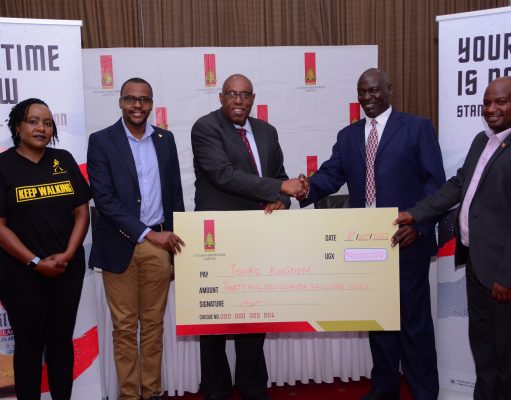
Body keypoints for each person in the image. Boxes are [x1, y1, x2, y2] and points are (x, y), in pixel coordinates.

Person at [297, 68, 446, 400]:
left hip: (406, 241)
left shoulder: (417, 128)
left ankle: (424, 392)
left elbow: (435, 184)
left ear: (389, 89)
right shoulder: (348, 136)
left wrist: (418, 225)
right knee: (378, 320)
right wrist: (303, 189)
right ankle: (384, 386)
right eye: (362, 92)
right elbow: (329, 177)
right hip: (364, 245)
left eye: (374, 90)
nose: (367, 97)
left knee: (414, 322)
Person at [393, 76, 511, 400]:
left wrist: (506, 276)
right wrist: (415, 213)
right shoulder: (482, 141)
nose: (491, 109)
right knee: (483, 347)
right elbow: (458, 185)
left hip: (501, 276)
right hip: (476, 264)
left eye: (500, 102)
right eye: (487, 103)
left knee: (506, 354)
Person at [191, 73, 303, 400]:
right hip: (217, 237)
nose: (238, 101)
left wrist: (281, 201)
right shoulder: (205, 128)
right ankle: (216, 389)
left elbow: (279, 176)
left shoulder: (267, 131)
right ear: (221, 97)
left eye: (245, 95)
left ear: (253, 99)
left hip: (258, 236)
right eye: (232, 94)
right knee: (213, 317)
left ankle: (253, 386)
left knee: (255, 313)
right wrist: (279, 187)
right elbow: (223, 175)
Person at [87, 77, 185, 400]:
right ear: (120, 102)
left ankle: (152, 391)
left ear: (151, 104)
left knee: (154, 326)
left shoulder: (165, 140)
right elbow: (104, 199)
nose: (137, 105)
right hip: (119, 246)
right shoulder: (101, 141)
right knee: (125, 329)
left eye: (144, 99)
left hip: (159, 246)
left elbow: (174, 193)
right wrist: (147, 234)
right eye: (131, 99)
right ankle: (129, 395)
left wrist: (175, 245)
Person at [0, 98, 91, 399]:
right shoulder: (3, 166)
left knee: (60, 341)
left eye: (48, 123)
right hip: (20, 272)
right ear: (18, 127)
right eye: (33, 121)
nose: (42, 128)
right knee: (29, 345)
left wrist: (68, 255)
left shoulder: (63, 159)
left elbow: (82, 212)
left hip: (66, 268)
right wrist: (35, 262)